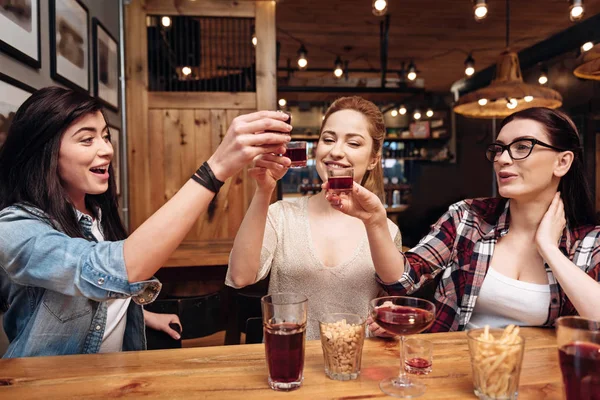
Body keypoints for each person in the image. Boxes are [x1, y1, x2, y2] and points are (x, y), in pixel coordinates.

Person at [0, 86, 291, 357]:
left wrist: (139, 314)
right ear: (45, 154)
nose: (106, 150)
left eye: (105, 136)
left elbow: (89, 296)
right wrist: (214, 170)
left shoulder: (94, 214)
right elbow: (115, 269)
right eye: (87, 139)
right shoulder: (15, 229)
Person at [326, 107, 600, 332]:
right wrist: (375, 220)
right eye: (500, 149)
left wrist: (549, 248)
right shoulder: (468, 218)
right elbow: (402, 281)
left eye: (522, 147)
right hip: (458, 374)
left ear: (562, 162)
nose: (503, 159)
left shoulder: (589, 243)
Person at [226, 96, 403, 340]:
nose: (336, 151)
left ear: (373, 158)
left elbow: (391, 303)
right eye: (328, 139)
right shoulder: (281, 216)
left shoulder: (386, 229)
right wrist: (263, 190)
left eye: (353, 143)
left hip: (354, 365)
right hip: (288, 364)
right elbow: (240, 276)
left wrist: (388, 319)